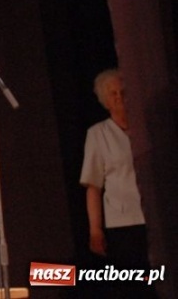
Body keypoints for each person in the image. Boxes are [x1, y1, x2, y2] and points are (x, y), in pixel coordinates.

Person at [79, 69, 152, 297]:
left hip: (154, 216)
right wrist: (95, 230)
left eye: (123, 92)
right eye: (113, 94)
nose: (120, 97)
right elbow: (93, 186)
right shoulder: (98, 134)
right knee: (135, 284)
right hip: (123, 223)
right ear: (105, 101)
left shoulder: (147, 126)